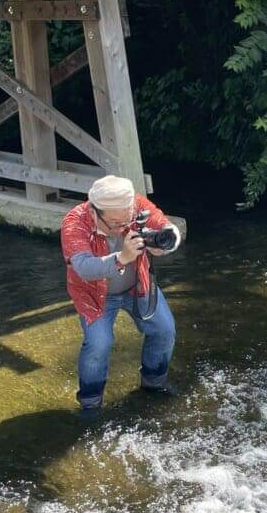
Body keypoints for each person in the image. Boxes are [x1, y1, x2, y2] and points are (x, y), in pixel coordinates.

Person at [60, 175, 182, 414]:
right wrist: (122, 257)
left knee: (165, 329)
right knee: (98, 345)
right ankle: (90, 401)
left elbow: (168, 227)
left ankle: (154, 382)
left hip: (138, 285)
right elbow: (84, 267)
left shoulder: (135, 205)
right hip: (95, 296)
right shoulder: (75, 221)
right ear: (95, 212)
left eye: (125, 221)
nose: (120, 228)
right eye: (114, 223)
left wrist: (165, 243)